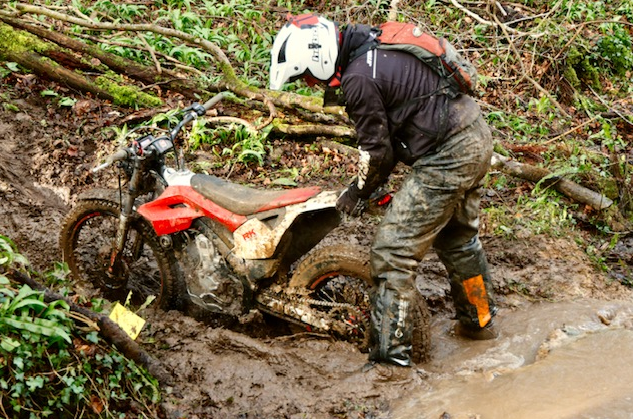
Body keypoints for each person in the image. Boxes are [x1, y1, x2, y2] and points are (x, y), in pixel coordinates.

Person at [269, 13, 499, 367]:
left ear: (318, 59)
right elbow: (386, 142)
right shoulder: (371, 45)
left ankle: (391, 363)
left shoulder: (359, 78)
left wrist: (357, 193)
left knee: (392, 253)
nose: (310, 84)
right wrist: (367, 187)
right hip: (474, 136)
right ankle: (480, 324)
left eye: (307, 76)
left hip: (449, 154)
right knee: (459, 240)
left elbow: (377, 154)